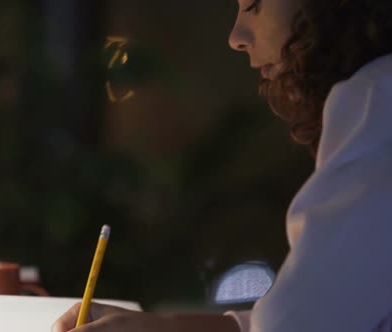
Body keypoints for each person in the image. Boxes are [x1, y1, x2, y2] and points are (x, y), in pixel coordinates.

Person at [52, 0, 392, 331]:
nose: (235, 36)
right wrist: (158, 327)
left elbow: (291, 326)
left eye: (255, 5)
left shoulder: (377, 101)